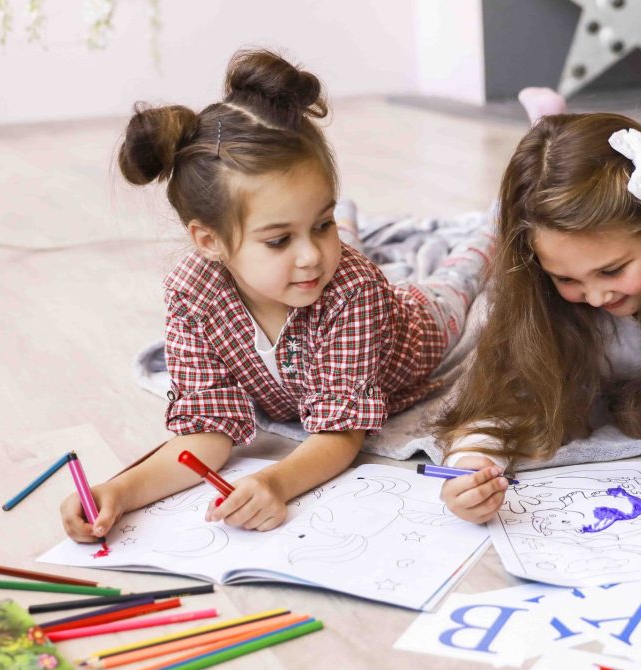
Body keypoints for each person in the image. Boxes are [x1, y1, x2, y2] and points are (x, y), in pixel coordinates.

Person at [60, 48, 487, 542]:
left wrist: (275, 481)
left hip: (421, 322)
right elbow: (207, 432)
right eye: (280, 239)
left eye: (322, 223)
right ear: (209, 241)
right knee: (340, 255)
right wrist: (119, 491)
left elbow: (340, 432)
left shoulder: (354, 289)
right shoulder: (192, 294)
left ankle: (496, 222)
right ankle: (346, 222)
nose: (309, 256)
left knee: (462, 273)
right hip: (340, 300)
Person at [434, 89, 641, 524]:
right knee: (479, 248)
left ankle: (546, 123)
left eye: (612, 270)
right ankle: (543, 126)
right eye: (566, 279)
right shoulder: (530, 287)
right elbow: (501, 397)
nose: (596, 298)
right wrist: (469, 466)